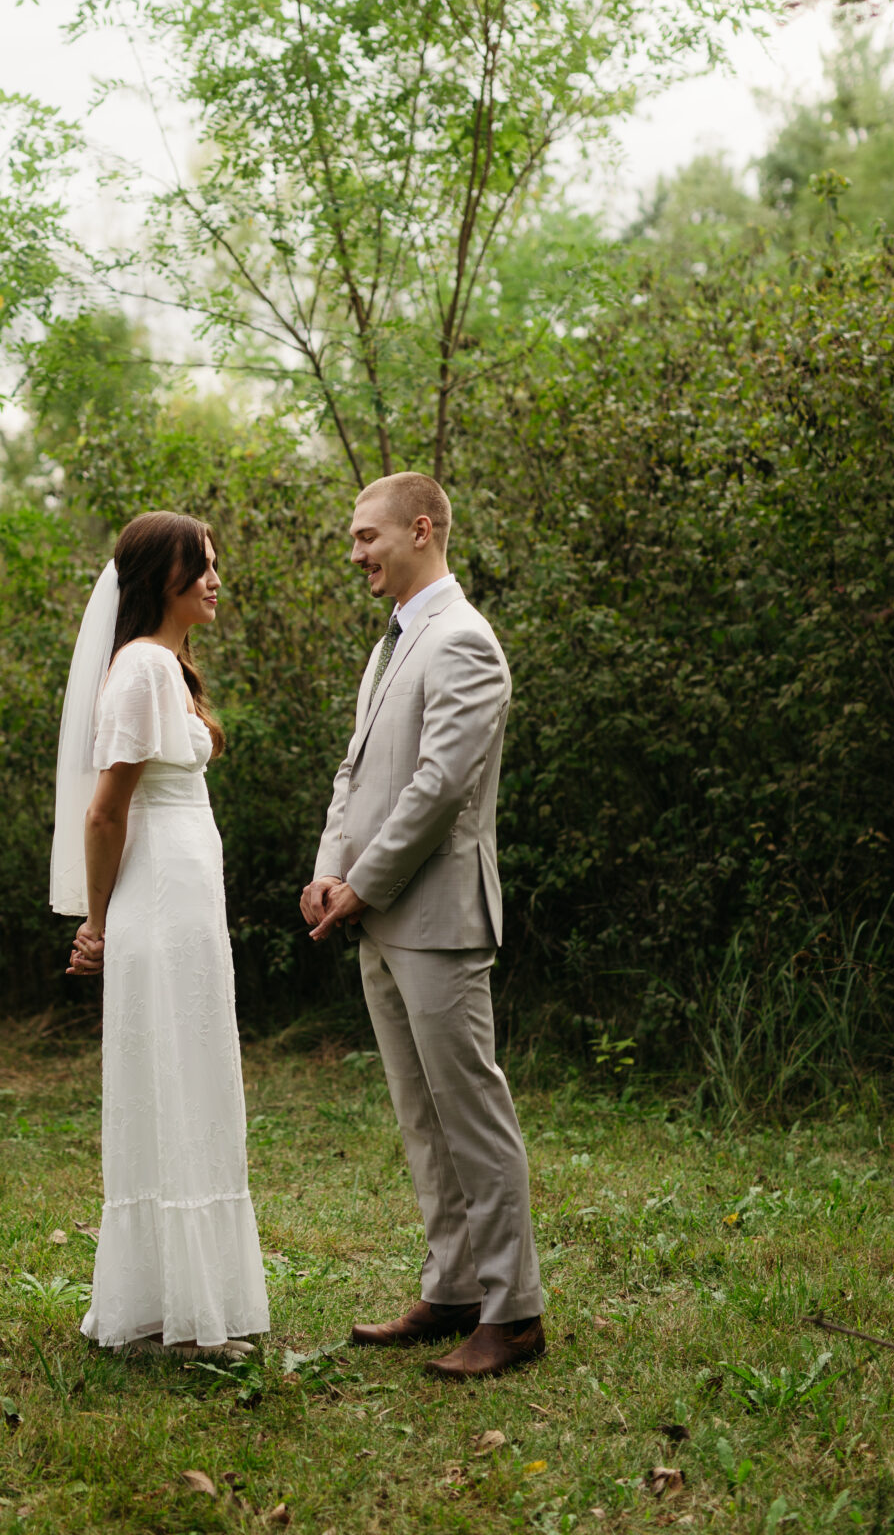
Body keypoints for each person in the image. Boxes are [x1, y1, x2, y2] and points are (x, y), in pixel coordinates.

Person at [300, 472, 544, 1381]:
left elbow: (438, 788)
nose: (355, 553)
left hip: (435, 915)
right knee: (419, 1115)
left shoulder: (463, 641)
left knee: (470, 1115)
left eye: (367, 537)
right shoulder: (388, 647)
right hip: (374, 912)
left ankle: (514, 1313)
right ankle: (451, 1288)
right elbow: (355, 774)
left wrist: (359, 884)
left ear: (422, 527)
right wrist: (331, 871)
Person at [52, 512, 268, 1356]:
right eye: (198, 568)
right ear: (158, 580)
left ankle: (183, 1300)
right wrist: (97, 923)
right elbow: (105, 812)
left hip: (186, 893)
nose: (215, 580)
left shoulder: (169, 668)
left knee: (191, 1074)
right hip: (158, 897)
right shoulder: (142, 668)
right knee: (173, 1077)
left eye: (215, 565)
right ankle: (176, 1317)